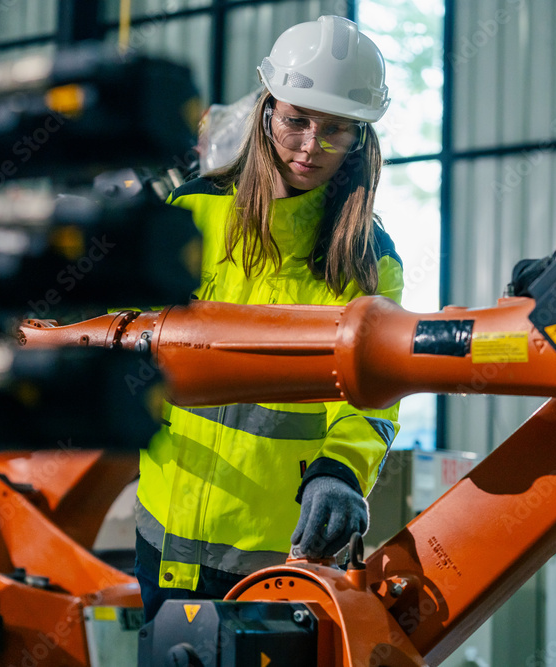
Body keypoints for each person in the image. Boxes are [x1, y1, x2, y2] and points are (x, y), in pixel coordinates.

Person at [134, 15, 404, 622]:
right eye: (297, 120)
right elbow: (130, 333)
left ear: (360, 139)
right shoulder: (191, 212)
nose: (311, 146)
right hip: (162, 537)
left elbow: (375, 395)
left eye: (336, 129)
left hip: (276, 561)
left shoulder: (369, 262)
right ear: (266, 113)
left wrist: (341, 472)